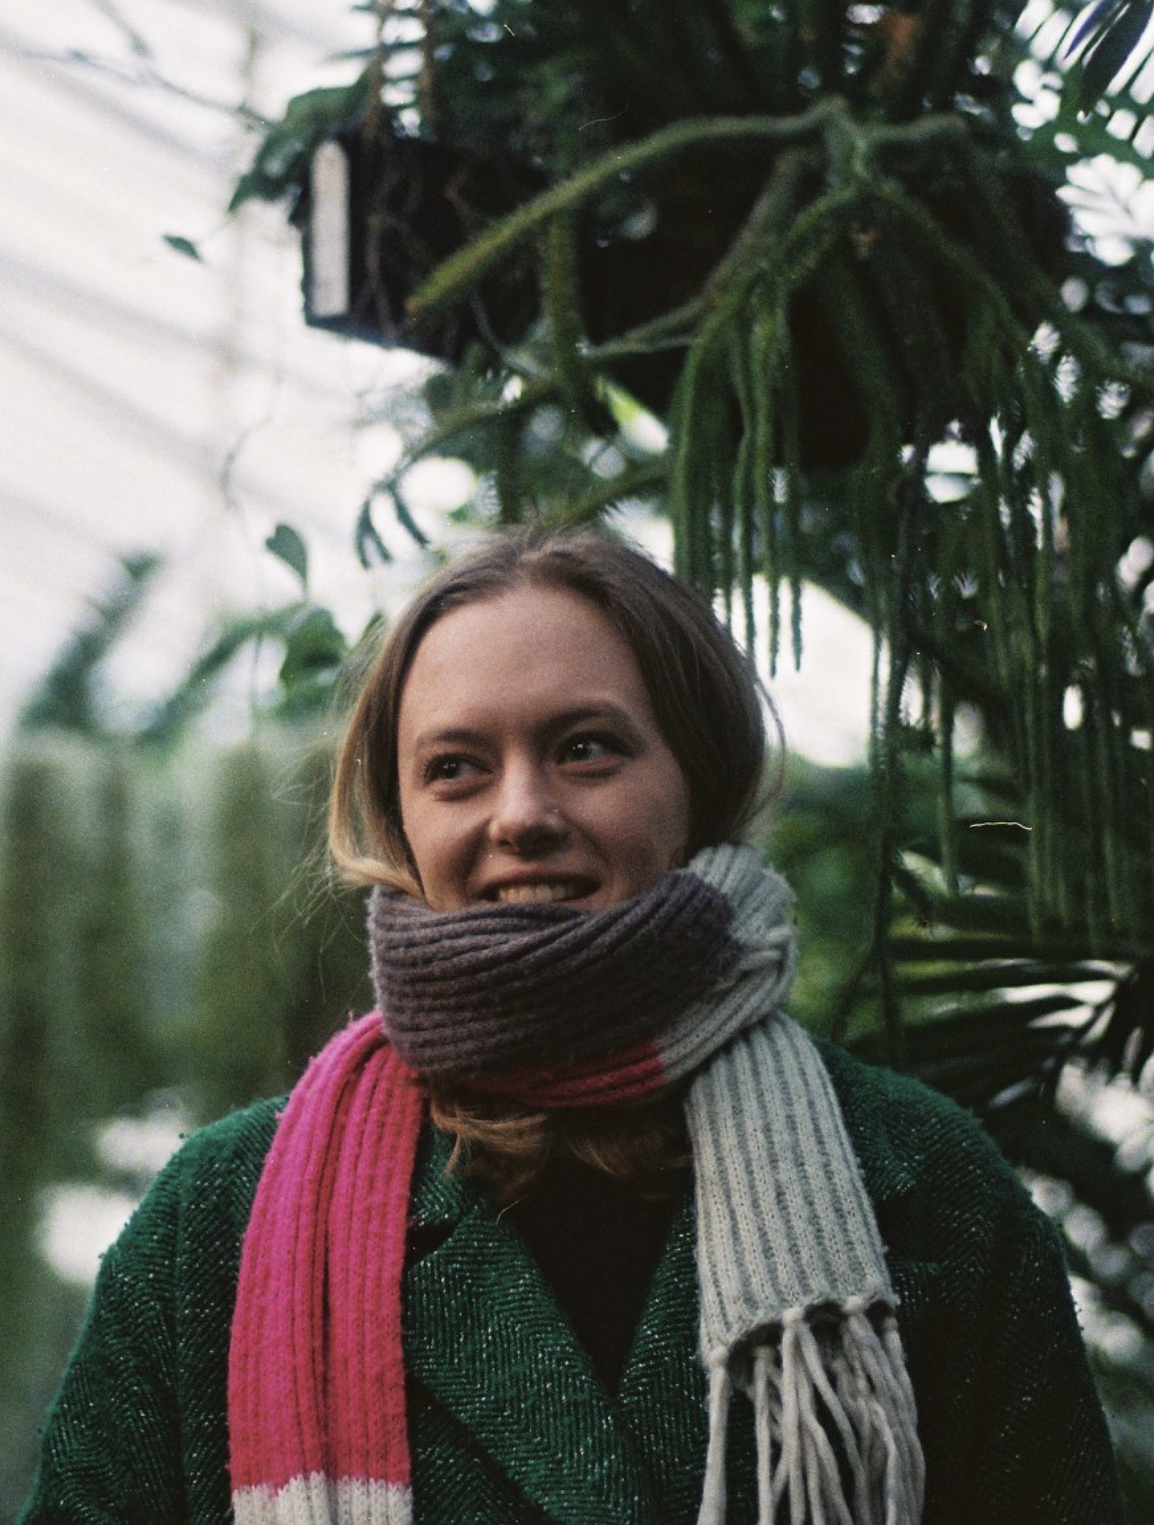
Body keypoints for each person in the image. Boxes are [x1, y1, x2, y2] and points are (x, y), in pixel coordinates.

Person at [20, 526, 1122, 1525]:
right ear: (400, 816)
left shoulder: (922, 1189)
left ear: (700, 775)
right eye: (455, 768)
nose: (519, 814)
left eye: (585, 748)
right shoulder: (222, 1221)